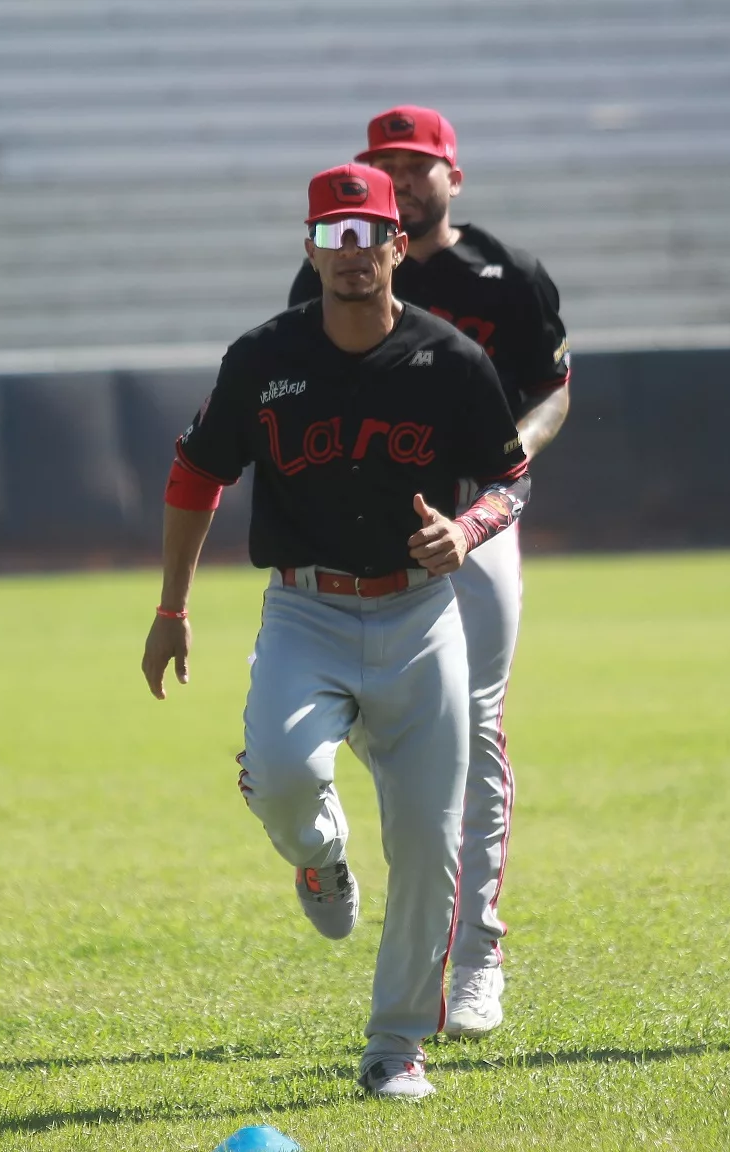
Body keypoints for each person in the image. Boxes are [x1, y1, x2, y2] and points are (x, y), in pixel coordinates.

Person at [143, 163, 531, 1098]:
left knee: (433, 845)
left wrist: (466, 529)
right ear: (311, 249)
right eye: (333, 236)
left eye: (369, 236)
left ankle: (396, 1045)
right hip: (306, 610)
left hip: (419, 613)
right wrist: (171, 607)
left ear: (399, 246)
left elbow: (509, 479)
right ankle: (320, 857)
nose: (352, 254)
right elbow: (198, 475)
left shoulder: (449, 358)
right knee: (279, 778)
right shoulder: (263, 357)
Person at [291, 106, 571, 1036]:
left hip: (475, 526)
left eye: (415, 165)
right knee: (379, 731)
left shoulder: (507, 276)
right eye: (383, 164)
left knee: (476, 734)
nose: (399, 179)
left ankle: (478, 955)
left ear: (453, 175)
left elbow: (552, 390)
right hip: (364, 540)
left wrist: (496, 475)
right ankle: (330, 850)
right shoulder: (333, 264)